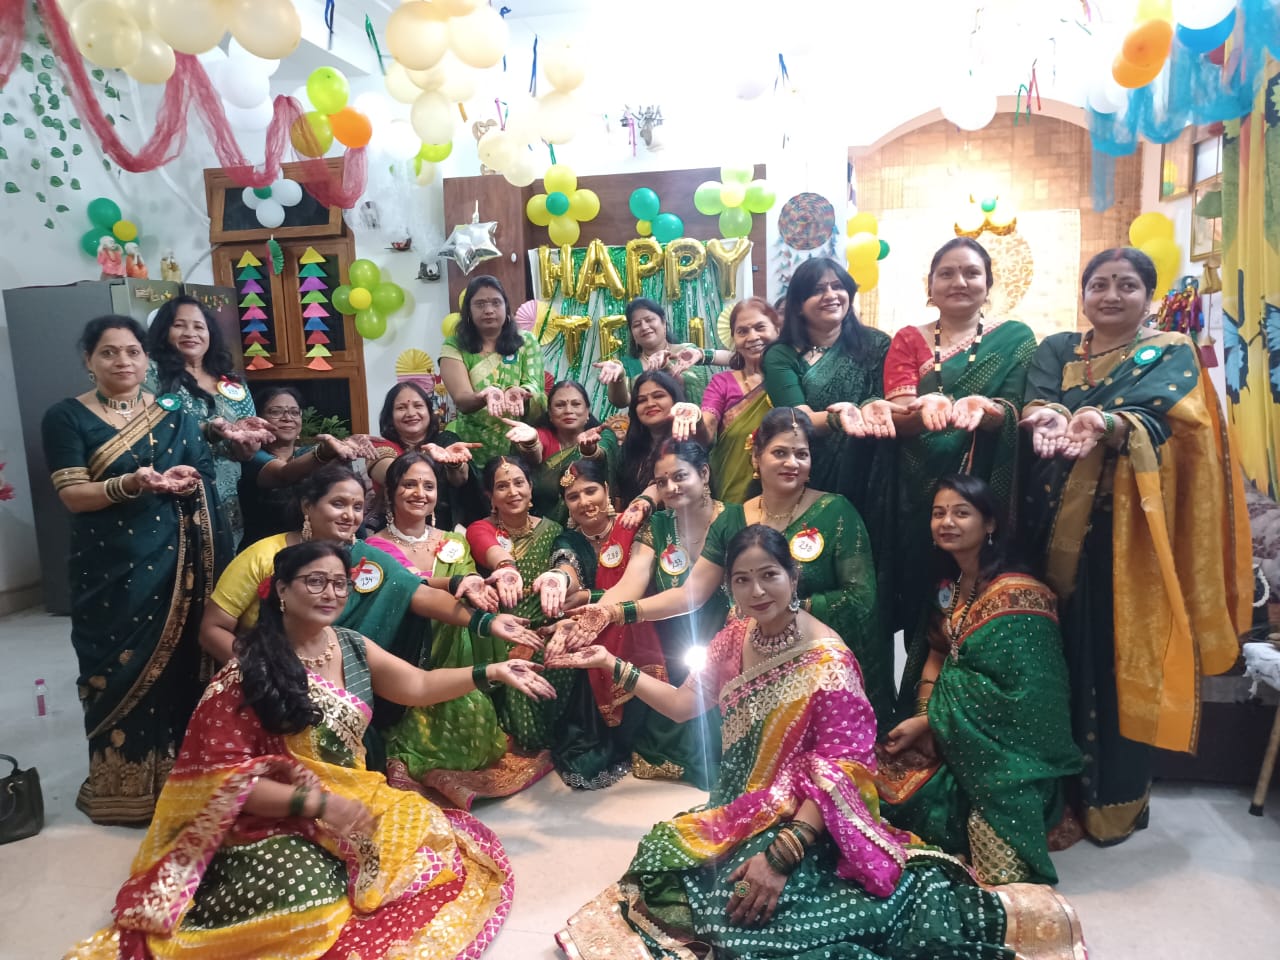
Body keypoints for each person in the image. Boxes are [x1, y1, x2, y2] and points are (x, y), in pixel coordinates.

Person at [550, 525, 1085, 960]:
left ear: (793, 575)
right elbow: (683, 704)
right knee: (661, 858)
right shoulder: (736, 637)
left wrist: (783, 856)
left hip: (809, 820)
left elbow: (846, 767)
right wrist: (611, 663)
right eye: (742, 580)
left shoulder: (828, 660)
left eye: (769, 575)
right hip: (742, 806)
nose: (757, 592)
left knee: (749, 917)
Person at [65, 541, 555, 960]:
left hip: (350, 799)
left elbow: (418, 685)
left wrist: (490, 672)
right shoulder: (248, 670)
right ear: (281, 590)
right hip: (268, 820)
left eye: (340, 583)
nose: (331, 593)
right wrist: (317, 803)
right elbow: (221, 782)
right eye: (315, 582)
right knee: (309, 905)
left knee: (433, 842)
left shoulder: (349, 644)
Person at [1020, 247, 1251, 845]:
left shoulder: (1169, 351)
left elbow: (1179, 427)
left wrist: (1111, 424)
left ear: (1148, 297)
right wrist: (1050, 415)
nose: (1111, 295)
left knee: (1114, 664)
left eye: (1127, 285)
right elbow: (1038, 400)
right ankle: (1049, 801)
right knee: (1047, 664)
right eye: (1099, 284)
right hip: (1045, 532)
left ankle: (1111, 803)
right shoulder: (1057, 349)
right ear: (1083, 294)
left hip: (1125, 543)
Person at [199, 464, 540, 772]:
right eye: (338, 504)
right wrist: (269, 672)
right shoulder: (263, 556)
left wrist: (487, 623)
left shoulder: (363, 562)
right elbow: (212, 629)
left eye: (358, 506)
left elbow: (416, 594)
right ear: (307, 506)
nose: (350, 515)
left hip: (341, 694)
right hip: (269, 689)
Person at [569, 408, 894, 728]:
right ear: (756, 457)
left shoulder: (835, 511)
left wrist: (787, 610)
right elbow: (690, 594)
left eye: (801, 454)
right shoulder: (734, 519)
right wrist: (609, 613)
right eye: (780, 452)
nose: (792, 463)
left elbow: (860, 600)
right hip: (749, 664)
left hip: (818, 663)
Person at [41, 315, 230, 824]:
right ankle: (121, 788)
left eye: (132, 352)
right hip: (110, 569)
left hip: (178, 562)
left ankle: (186, 779)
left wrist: (186, 477)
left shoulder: (172, 412)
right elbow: (72, 494)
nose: (122, 361)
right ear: (89, 360)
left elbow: (203, 472)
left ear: (147, 359)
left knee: (183, 663)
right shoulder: (66, 417)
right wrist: (130, 484)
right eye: (108, 352)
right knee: (114, 668)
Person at [879, 475, 1082, 885]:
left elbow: (1027, 697)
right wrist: (924, 715)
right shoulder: (949, 584)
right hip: (957, 729)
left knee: (982, 848)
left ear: (989, 523)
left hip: (1007, 753)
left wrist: (933, 721)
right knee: (869, 773)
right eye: (938, 513)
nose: (946, 522)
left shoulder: (1020, 594)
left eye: (961, 513)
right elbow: (939, 651)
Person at [883, 238, 1037, 699]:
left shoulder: (1015, 338)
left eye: (971, 272)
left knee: (976, 589)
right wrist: (924, 408)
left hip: (982, 486)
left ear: (988, 283)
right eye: (946, 273)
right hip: (917, 493)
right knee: (922, 599)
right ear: (930, 285)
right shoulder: (909, 338)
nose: (959, 282)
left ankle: (977, 698)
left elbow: (1014, 410)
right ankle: (918, 703)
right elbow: (900, 414)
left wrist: (985, 411)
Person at [366, 452, 552, 806]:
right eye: (409, 484)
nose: (420, 493)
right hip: (406, 657)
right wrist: (454, 584)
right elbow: (404, 592)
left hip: (456, 654)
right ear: (390, 491)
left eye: (429, 485)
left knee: (476, 736)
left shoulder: (454, 542)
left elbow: (470, 588)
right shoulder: (374, 548)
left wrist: (485, 595)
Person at [588, 439, 729, 787]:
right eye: (662, 481)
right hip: (675, 642)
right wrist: (593, 614)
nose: (671, 488)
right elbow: (631, 582)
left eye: (680, 476)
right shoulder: (659, 525)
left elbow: (691, 596)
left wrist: (616, 613)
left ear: (704, 473)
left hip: (727, 639)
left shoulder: (732, 519)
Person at [763, 258, 898, 619]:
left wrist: (869, 409)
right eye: (817, 289)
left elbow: (889, 402)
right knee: (813, 567)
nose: (830, 295)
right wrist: (841, 417)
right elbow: (797, 418)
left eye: (837, 286)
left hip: (874, 476)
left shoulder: (877, 345)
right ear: (798, 303)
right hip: (812, 477)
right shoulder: (780, 355)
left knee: (870, 578)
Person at [531, 459, 669, 788]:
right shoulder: (568, 540)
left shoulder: (633, 524)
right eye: (573, 497)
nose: (584, 502)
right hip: (594, 631)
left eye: (590, 491)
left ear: (607, 490)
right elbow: (567, 569)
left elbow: (647, 584)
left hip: (645, 622)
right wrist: (558, 579)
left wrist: (589, 597)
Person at [466, 456, 575, 754]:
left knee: (561, 658)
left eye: (518, 483)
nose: (512, 492)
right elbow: (487, 546)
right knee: (518, 675)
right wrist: (506, 566)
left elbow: (567, 572)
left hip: (546, 628)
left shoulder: (552, 530)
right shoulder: (480, 529)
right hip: (499, 633)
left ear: (530, 488)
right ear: (491, 497)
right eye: (502, 486)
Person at [144, 295, 273, 548]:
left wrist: (248, 445)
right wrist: (209, 430)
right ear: (163, 330)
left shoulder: (231, 381)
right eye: (179, 325)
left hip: (224, 500)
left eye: (198, 326)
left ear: (210, 333)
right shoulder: (149, 374)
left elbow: (244, 444)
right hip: (171, 496)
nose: (190, 333)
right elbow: (146, 431)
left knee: (222, 565)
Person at [238, 385, 375, 546]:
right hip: (266, 549)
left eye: (294, 412)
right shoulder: (251, 458)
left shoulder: (308, 453)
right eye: (276, 412)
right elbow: (283, 474)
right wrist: (325, 452)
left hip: (317, 547)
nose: (287, 418)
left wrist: (342, 454)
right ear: (258, 419)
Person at [438, 274, 546, 465]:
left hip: (518, 445)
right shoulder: (454, 345)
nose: (488, 310)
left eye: (496, 303)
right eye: (480, 304)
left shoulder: (526, 341)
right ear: (468, 311)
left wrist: (522, 392)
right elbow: (462, 399)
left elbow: (535, 386)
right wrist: (483, 396)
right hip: (472, 448)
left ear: (506, 307)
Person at [366, 380, 486, 532]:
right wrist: (426, 458)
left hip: (445, 530)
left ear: (429, 412)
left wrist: (454, 464)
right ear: (390, 416)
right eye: (401, 408)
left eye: (418, 406)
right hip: (396, 532)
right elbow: (394, 475)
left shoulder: (447, 440)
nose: (411, 413)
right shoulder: (377, 447)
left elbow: (460, 479)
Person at [502, 379, 618, 524]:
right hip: (544, 526)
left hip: (593, 522)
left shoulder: (602, 436)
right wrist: (531, 443)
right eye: (560, 405)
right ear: (550, 414)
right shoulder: (542, 435)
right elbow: (535, 454)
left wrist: (590, 451)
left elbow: (602, 455)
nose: (568, 410)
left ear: (587, 411)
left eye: (576, 404)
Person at [701, 297, 779, 503]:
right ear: (734, 339)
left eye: (760, 327)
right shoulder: (721, 382)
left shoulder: (791, 378)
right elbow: (708, 424)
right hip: (732, 496)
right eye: (742, 331)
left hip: (784, 491)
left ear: (777, 330)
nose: (752, 337)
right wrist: (692, 419)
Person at [595, 297, 731, 408]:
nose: (644, 327)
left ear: (664, 323)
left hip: (692, 425)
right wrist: (618, 379)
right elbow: (622, 402)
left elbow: (690, 387)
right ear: (632, 334)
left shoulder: (686, 351)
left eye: (649, 320)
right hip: (649, 432)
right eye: (636, 325)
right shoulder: (631, 364)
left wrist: (667, 366)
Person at [615, 369, 706, 508]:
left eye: (658, 396)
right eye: (642, 400)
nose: (650, 404)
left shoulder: (688, 438)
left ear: (675, 400)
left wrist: (692, 413)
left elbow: (703, 432)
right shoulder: (631, 449)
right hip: (636, 520)